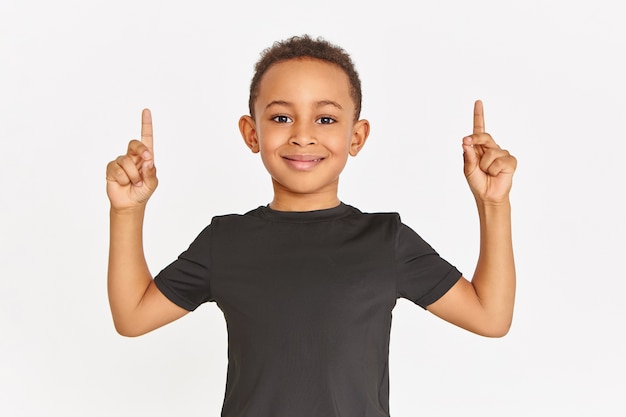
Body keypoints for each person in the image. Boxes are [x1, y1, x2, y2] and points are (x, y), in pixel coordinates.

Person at [106, 35, 517, 417]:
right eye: (282, 117)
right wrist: (126, 212)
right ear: (252, 133)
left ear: (356, 137)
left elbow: (490, 316)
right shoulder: (226, 241)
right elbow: (133, 316)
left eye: (325, 119)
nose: (303, 136)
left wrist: (493, 202)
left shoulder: (384, 240)